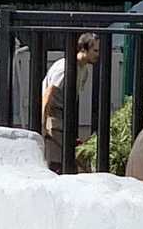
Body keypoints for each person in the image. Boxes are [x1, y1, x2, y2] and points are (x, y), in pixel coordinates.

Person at [41, 33, 100, 173]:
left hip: (64, 117)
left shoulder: (83, 70)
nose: (98, 54)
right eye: (95, 50)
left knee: (69, 163)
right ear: (83, 49)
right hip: (54, 116)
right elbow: (48, 94)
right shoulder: (65, 68)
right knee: (58, 164)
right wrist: (43, 124)